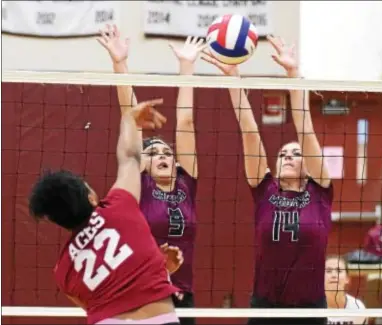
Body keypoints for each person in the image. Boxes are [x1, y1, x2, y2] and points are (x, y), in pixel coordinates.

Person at [202, 35, 333, 325]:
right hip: (265, 308)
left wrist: (292, 75)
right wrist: (234, 80)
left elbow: (305, 129)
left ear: (308, 165)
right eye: (283, 154)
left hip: (309, 310)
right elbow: (250, 133)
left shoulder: (319, 190)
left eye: (295, 154)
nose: (287, 156)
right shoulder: (264, 190)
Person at [29, 98, 185, 324]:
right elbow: (129, 158)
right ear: (91, 197)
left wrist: (159, 270)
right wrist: (130, 120)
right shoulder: (119, 206)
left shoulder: (63, 272)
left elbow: (103, 303)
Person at [97, 24, 205, 325]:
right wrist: (120, 63)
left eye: (166, 152)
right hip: (141, 295)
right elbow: (131, 117)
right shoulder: (140, 185)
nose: (161, 155)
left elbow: (185, 122)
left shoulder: (187, 182)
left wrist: (187, 67)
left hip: (183, 295)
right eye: (153, 152)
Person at [325, 256, 367, 325]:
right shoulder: (311, 308)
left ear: (347, 278)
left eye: (339, 271)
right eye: (328, 271)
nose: (334, 275)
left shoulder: (357, 308)